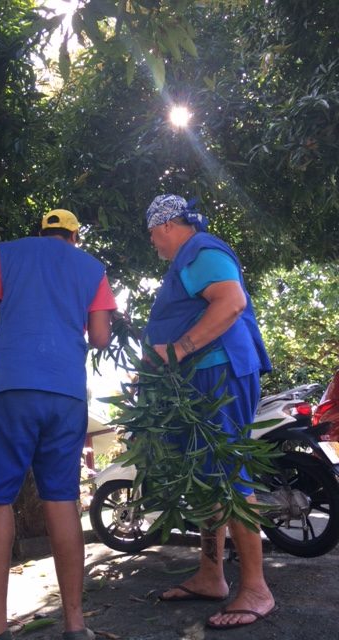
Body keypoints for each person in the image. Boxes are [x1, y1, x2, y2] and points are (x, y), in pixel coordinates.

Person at [0, 209, 116, 640]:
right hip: (66, 393)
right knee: (61, 500)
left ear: (41, 232)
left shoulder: (11, 253)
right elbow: (99, 338)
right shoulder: (91, 267)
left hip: (12, 388)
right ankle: (76, 624)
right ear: (73, 237)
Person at [143, 194, 276, 631]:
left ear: (164, 226)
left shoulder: (200, 249)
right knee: (207, 477)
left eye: (153, 237)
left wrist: (180, 349)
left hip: (218, 373)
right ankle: (211, 573)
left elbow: (231, 301)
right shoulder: (188, 257)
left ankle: (255, 587)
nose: (155, 247)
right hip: (202, 377)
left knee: (227, 470)